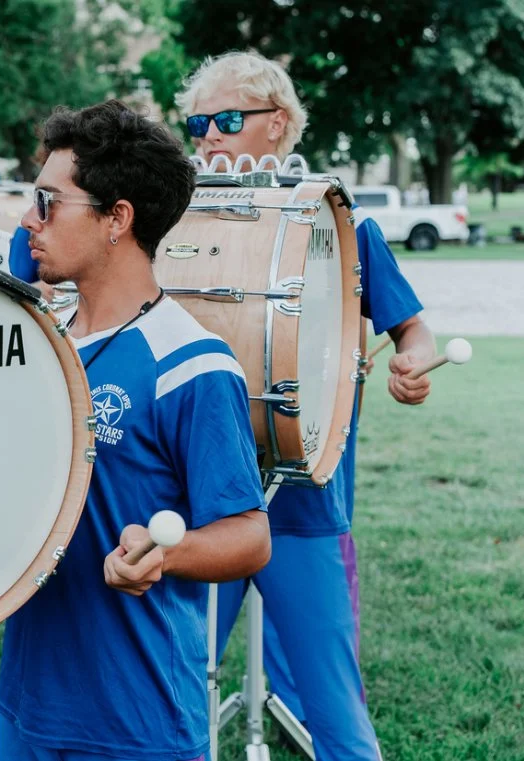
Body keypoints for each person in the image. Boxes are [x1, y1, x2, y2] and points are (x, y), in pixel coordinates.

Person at [176, 51, 437, 760]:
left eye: (226, 119)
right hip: (203, 507)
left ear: (278, 125)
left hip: (304, 504)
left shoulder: (344, 227)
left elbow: (409, 329)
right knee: (170, 697)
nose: (207, 136)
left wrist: (411, 361)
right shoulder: (179, 223)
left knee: (335, 710)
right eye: (197, 122)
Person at [0, 100, 271, 761]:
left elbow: (249, 535)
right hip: (26, 709)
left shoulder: (190, 364)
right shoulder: (40, 344)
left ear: (116, 218)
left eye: (48, 202)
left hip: (138, 724)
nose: (27, 221)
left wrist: (166, 552)